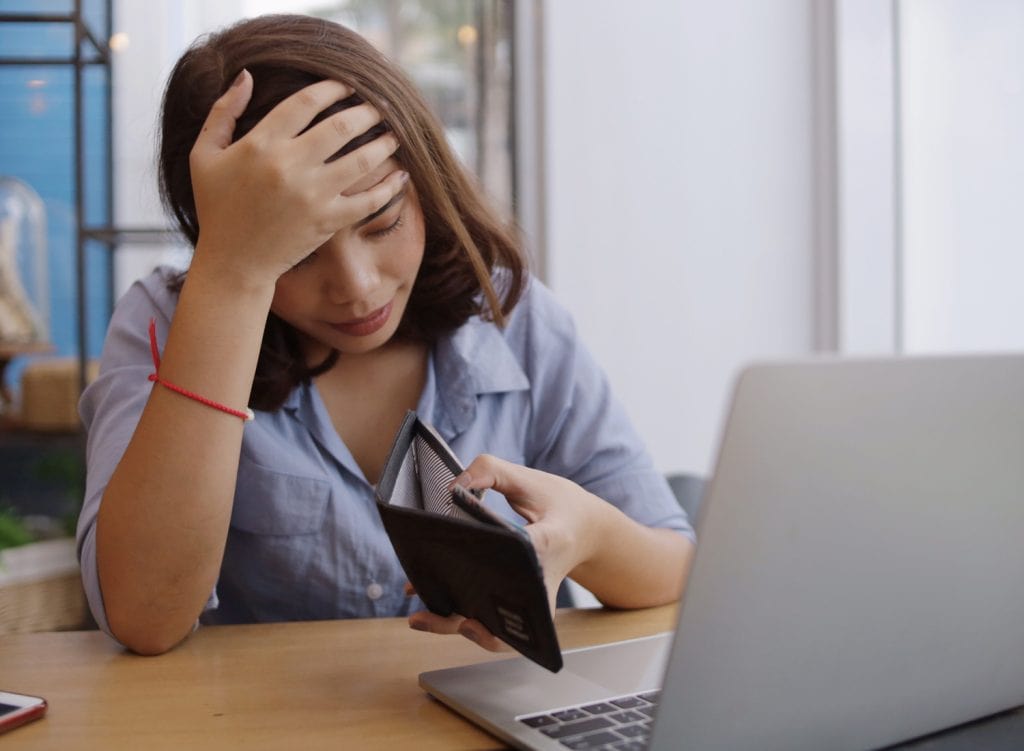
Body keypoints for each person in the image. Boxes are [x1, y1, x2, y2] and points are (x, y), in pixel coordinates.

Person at [76, 14, 695, 656]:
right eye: (297, 253)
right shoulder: (165, 318)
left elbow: (675, 568)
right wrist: (232, 278)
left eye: (381, 223)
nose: (358, 287)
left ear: (424, 185)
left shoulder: (512, 319)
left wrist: (589, 533)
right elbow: (142, 617)